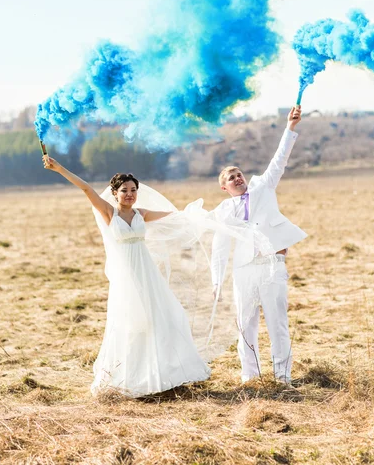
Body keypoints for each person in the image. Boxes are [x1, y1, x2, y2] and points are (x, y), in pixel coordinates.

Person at [42, 156, 210, 397]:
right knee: (132, 323)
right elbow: (86, 188)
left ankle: (164, 375)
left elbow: (175, 217)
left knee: (161, 317)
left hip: (147, 273)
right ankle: (129, 378)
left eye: (133, 190)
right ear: (115, 193)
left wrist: (199, 217)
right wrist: (58, 168)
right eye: (124, 190)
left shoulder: (142, 214)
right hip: (126, 277)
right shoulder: (109, 213)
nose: (129, 194)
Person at [211, 106, 307, 384]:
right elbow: (219, 246)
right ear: (224, 187)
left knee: (277, 323)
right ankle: (250, 376)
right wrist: (217, 280)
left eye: (239, 174)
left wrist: (289, 127)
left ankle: (282, 376)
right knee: (245, 325)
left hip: (271, 266)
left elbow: (279, 160)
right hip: (243, 270)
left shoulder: (263, 187)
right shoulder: (223, 210)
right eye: (231, 177)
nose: (237, 178)